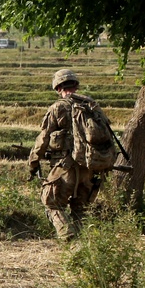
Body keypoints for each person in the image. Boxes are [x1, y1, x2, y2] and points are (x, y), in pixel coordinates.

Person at [28, 69, 114, 241]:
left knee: (51, 202)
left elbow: (43, 138)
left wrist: (33, 162)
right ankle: (82, 246)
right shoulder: (92, 106)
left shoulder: (58, 107)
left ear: (58, 87)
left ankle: (70, 241)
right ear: (76, 85)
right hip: (89, 168)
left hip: (66, 166)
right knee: (80, 208)